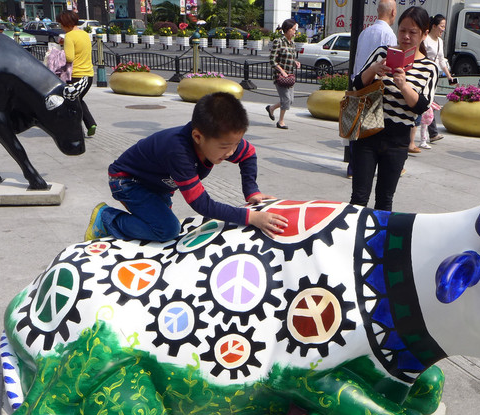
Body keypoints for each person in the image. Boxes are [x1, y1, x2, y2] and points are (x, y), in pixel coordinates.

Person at [85, 92, 288, 242]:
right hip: (128, 181)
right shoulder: (178, 151)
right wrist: (250, 217)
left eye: (236, 144)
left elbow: (249, 155)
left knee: (156, 223)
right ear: (198, 137)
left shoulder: (221, 140)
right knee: (167, 230)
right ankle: (106, 218)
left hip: (159, 184)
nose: (231, 153)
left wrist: (251, 190)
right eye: (225, 147)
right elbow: (202, 204)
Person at [350, 7, 437, 211]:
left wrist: (404, 85)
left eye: (413, 32)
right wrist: (374, 69)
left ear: (424, 34)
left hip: (397, 140)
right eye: (402, 30)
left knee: (385, 199)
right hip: (368, 133)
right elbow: (357, 85)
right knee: (359, 197)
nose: (406, 36)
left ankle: (380, 240)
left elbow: (421, 107)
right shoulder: (383, 53)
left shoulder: (429, 68)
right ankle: (354, 240)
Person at [347, 0, 397, 178]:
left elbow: (357, 59)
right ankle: (368, 167)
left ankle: (353, 168)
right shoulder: (389, 35)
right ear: (393, 12)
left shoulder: (365, 32)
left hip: (359, 83)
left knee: (356, 127)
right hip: (376, 86)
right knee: (372, 128)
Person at [57, 10, 98, 137]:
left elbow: (69, 58)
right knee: (77, 100)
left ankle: (75, 129)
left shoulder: (69, 36)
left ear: (66, 23)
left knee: (70, 102)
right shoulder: (85, 34)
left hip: (75, 76)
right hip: (88, 76)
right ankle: (90, 124)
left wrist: (57, 53)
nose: (61, 27)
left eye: (61, 24)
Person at [422, 14, 456, 143]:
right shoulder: (425, 40)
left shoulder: (440, 42)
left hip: (433, 77)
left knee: (429, 103)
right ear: (434, 26)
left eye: (444, 27)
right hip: (424, 76)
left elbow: (442, 60)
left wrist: (449, 76)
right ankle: (432, 133)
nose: (443, 29)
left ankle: (431, 134)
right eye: (441, 26)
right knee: (429, 103)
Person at [266, 19, 301, 129]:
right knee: (286, 99)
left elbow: (291, 57)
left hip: (289, 76)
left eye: (295, 30)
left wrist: (295, 62)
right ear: (287, 29)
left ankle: (271, 108)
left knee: (290, 100)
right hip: (280, 76)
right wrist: (281, 71)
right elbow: (272, 60)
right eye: (293, 29)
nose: (295, 32)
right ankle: (280, 121)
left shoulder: (292, 43)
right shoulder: (279, 41)